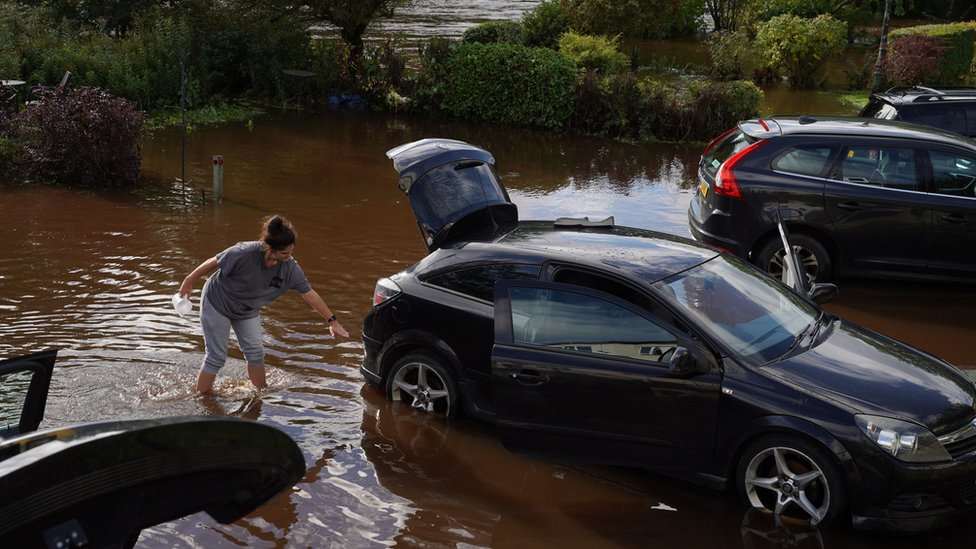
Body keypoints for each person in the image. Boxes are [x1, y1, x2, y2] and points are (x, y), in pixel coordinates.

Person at [179, 215, 349, 393]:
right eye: (285, 253)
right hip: (218, 302)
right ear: (270, 248)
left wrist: (332, 321)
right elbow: (214, 262)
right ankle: (202, 399)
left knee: (256, 353)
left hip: (247, 309)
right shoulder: (244, 252)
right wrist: (189, 280)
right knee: (216, 357)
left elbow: (310, 294)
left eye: (292, 252)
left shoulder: (290, 268)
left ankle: (259, 394)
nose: (289, 257)